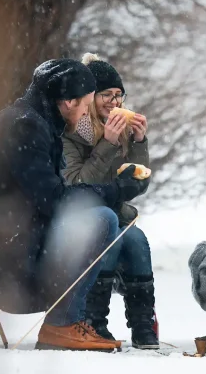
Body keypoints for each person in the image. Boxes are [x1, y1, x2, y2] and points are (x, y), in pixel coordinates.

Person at [0, 59, 150, 352]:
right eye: (85, 105)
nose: (86, 113)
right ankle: (62, 324)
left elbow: (49, 196)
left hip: (3, 229)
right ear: (68, 102)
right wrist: (116, 190)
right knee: (102, 220)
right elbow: (54, 200)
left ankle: (96, 323)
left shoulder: (32, 120)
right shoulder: (26, 127)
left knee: (117, 227)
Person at [61, 52, 158, 349]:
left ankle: (143, 325)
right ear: (90, 97)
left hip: (115, 214)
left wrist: (139, 143)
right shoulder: (70, 133)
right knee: (112, 238)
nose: (114, 102)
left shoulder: (119, 127)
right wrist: (107, 144)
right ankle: (94, 321)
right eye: (106, 95)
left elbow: (137, 182)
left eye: (118, 95)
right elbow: (79, 185)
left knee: (137, 240)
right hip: (80, 220)